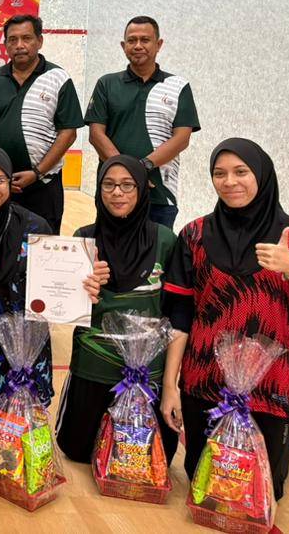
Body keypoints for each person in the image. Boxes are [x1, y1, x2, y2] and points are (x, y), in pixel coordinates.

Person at [160, 139, 289, 500]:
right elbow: (180, 316)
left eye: (241, 172)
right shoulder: (194, 235)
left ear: (261, 174)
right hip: (203, 385)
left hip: (269, 389)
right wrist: (170, 387)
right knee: (205, 488)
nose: (230, 182)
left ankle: (287, 429)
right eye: (219, 173)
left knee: (263, 494)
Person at [0, 146, 106, 455]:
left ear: (10, 182)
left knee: (23, 443)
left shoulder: (36, 228)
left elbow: (58, 288)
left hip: (27, 348)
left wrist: (84, 285)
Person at [54, 155, 178, 464]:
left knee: (148, 461)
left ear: (142, 190)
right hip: (93, 365)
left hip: (147, 371)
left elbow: (177, 314)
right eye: (108, 185)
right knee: (78, 451)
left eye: (127, 185)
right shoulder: (84, 238)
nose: (117, 193)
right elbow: (61, 306)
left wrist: (171, 384)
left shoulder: (165, 241)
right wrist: (83, 291)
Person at [85, 16, 200, 229]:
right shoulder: (106, 84)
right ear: (123, 46)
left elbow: (182, 138)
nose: (138, 45)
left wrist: (142, 167)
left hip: (160, 194)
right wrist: (128, 175)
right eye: (131, 40)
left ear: (159, 44)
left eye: (145, 40)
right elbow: (96, 134)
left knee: (158, 250)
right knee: (110, 248)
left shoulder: (178, 86)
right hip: (113, 194)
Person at [0, 14, 83, 234]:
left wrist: (37, 172)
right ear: (5, 44)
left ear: (39, 41)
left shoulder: (58, 78)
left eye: (27, 38)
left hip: (44, 185)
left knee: (43, 244)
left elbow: (68, 133)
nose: (19, 45)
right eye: (12, 40)